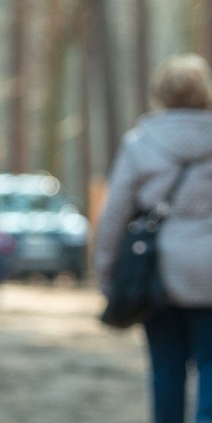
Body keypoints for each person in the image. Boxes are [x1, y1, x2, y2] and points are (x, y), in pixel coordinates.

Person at [94, 53, 212, 423]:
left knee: (165, 367)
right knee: (211, 367)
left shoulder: (140, 144)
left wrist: (106, 271)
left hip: (155, 271)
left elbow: (113, 216)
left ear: (160, 94)